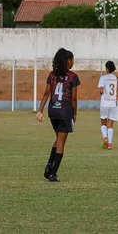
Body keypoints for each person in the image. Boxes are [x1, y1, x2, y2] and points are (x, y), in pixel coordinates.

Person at [36, 48, 80, 182]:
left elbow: (46, 93)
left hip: (53, 110)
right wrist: (74, 113)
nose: (73, 62)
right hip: (65, 111)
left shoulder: (52, 75)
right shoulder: (73, 77)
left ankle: (49, 165)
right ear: (68, 61)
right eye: (72, 60)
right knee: (61, 142)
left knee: (58, 138)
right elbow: (73, 98)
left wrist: (40, 110)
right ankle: (53, 174)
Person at [98, 61, 118, 150]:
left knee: (103, 122)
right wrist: (116, 95)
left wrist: (102, 93)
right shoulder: (117, 78)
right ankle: (109, 144)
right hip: (114, 104)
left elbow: (101, 90)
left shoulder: (103, 78)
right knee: (110, 124)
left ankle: (105, 138)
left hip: (105, 103)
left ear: (107, 69)